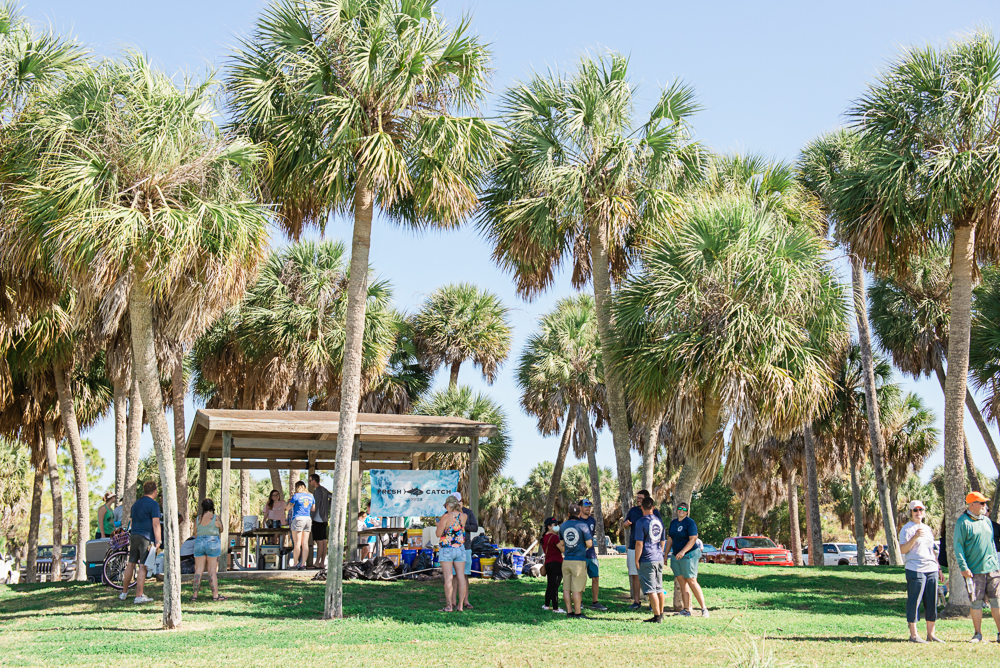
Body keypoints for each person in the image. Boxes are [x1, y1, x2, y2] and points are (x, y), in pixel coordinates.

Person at [954, 491, 1000, 643]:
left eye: (984, 503)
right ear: (972, 504)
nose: (984, 506)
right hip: (973, 571)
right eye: (981, 503)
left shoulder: (986, 521)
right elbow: (958, 546)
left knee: (997, 601)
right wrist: (963, 567)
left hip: (992, 569)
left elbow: (991, 543)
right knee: (976, 602)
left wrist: (996, 564)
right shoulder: (963, 522)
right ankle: (978, 634)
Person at [898, 499, 942, 643]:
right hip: (915, 569)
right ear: (911, 512)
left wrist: (939, 568)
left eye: (921, 510)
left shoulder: (928, 529)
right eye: (915, 510)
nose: (918, 512)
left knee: (931, 601)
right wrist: (915, 536)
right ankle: (914, 635)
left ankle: (931, 634)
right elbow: (903, 550)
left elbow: (932, 551)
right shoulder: (907, 529)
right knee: (914, 601)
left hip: (931, 569)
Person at [119, 480, 161, 604]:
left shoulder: (135, 504)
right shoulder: (153, 504)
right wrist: (158, 540)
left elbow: (131, 522)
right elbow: (156, 523)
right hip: (145, 537)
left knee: (131, 563)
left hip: (134, 535)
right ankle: (139, 595)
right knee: (143, 566)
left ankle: (124, 593)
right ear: (154, 491)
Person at [666, 501, 708, 617]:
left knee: (691, 580)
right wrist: (665, 556)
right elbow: (670, 540)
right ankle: (686, 609)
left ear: (687, 512)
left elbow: (693, 539)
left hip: (689, 555)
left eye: (684, 509)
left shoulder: (690, 523)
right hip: (676, 556)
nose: (681, 511)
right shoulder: (673, 523)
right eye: (679, 508)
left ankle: (704, 609)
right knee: (682, 582)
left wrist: (683, 551)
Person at [624, 489, 660, 610]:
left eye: (640, 498)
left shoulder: (655, 513)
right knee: (635, 575)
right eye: (637, 498)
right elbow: (624, 525)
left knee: (652, 577)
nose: (638, 500)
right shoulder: (632, 511)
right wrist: (625, 525)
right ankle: (636, 601)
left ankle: (653, 604)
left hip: (649, 550)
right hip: (633, 548)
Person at [634, 495, 666, 623]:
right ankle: (661, 613)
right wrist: (660, 553)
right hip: (658, 556)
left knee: (651, 589)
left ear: (641, 507)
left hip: (647, 558)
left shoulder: (641, 522)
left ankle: (657, 616)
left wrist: (637, 559)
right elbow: (662, 540)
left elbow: (639, 543)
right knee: (659, 588)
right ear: (653, 507)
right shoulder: (659, 521)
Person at [558, 503, 593, 619]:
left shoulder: (562, 526)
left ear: (568, 514)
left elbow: (562, 543)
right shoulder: (583, 525)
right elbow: (589, 543)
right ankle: (578, 613)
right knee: (577, 589)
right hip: (579, 560)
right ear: (579, 513)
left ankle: (569, 612)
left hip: (566, 560)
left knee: (566, 588)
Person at [435, 495, 467, 612]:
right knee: (461, 577)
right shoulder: (464, 516)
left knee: (448, 577)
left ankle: (449, 606)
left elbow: (438, 534)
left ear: (448, 505)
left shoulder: (445, 516)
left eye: (445, 505)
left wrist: (438, 525)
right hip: (460, 548)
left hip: (447, 548)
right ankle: (460, 606)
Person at [191, 498, 225, 601]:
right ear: (212, 507)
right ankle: (215, 595)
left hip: (199, 543)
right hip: (213, 542)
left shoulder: (198, 519)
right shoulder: (216, 518)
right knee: (212, 570)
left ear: (202, 507)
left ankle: (195, 595)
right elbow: (221, 529)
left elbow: (195, 533)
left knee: (198, 569)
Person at [578, 499, 607, 611]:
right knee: (581, 578)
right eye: (586, 506)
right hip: (580, 554)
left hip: (591, 554)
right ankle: (579, 601)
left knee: (595, 577)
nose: (588, 508)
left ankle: (595, 601)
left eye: (589, 506)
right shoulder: (576, 520)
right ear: (580, 507)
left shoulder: (592, 521)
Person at [454, 492, 479, 610]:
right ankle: (452, 601)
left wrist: (463, 526)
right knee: (453, 575)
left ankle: (465, 601)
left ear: (461, 500)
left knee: (464, 575)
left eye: (456, 501)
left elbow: (475, 527)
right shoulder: (448, 513)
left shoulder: (468, 512)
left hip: (465, 547)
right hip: (452, 547)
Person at [286, 480, 315, 570]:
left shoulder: (296, 496)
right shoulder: (311, 496)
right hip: (308, 519)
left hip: (298, 518)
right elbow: (313, 509)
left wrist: (289, 502)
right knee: (305, 543)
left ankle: (295, 564)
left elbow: (287, 508)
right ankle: (303, 564)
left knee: (297, 543)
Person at [541, 517, 565, 613]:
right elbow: (562, 550)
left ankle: (546, 605)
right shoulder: (554, 537)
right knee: (555, 586)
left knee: (550, 585)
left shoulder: (543, 538)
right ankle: (555, 608)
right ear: (549, 527)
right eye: (554, 525)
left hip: (548, 563)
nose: (556, 526)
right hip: (557, 563)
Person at [308, 474, 331, 569]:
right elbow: (332, 496)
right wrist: (327, 507)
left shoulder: (317, 491)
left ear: (314, 480)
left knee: (319, 542)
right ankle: (322, 562)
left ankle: (317, 562)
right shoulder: (325, 490)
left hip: (318, 519)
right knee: (324, 541)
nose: (309, 482)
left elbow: (315, 506)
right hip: (324, 518)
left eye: (310, 480)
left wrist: (311, 517)